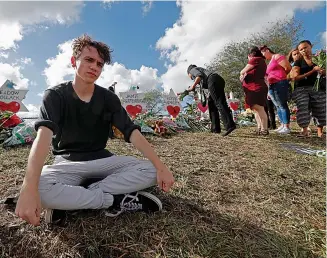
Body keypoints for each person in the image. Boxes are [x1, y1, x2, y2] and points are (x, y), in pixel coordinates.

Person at [14, 34, 174, 226]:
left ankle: (74, 197)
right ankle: (113, 200)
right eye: (89, 60)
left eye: (99, 64)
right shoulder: (55, 96)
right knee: (37, 188)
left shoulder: (108, 98)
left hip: (103, 160)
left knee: (151, 170)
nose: (94, 67)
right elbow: (43, 138)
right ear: (74, 61)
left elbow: (132, 132)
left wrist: (161, 167)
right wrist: (28, 188)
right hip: (67, 162)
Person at [187, 65, 236, 136]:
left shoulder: (192, 70)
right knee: (212, 104)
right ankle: (215, 129)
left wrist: (193, 86)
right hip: (216, 80)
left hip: (213, 80)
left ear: (189, 73)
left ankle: (230, 125)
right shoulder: (200, 71)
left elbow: (199, 75)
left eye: (191, 77)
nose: (192, 78)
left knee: (219, 102)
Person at [291, 40, 326, 138]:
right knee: (303, 108)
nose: (303, 50)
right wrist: (312, 71)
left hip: (318, 88)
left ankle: (320, 132)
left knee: (320, 109)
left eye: (305, 47)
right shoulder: (298, 62)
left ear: (311, 46)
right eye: (301, 49)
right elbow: (295, 77)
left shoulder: (320, 59)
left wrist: (323, 72)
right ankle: (305, 131)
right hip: (301, 89)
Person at [260, 45, 292, 134]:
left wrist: (281, 77)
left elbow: (288, 67)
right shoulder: (269, 63)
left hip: (280, 83)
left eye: (262, 53)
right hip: (271, 85)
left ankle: (287, 126)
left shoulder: (277, 56)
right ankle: (282, 124)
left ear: (266, 50)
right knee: (277, 106)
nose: (263, 56)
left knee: (282, 104)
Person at [240, 46, 269, 135]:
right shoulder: (260, 61)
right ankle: (259, 128)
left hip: (255, 87)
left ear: (250, 54)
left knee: (259, 108)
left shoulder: (255, 59)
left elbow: (242, 71)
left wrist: (242, 74)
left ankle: (264, 129)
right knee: (255, 109)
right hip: (254, 87)